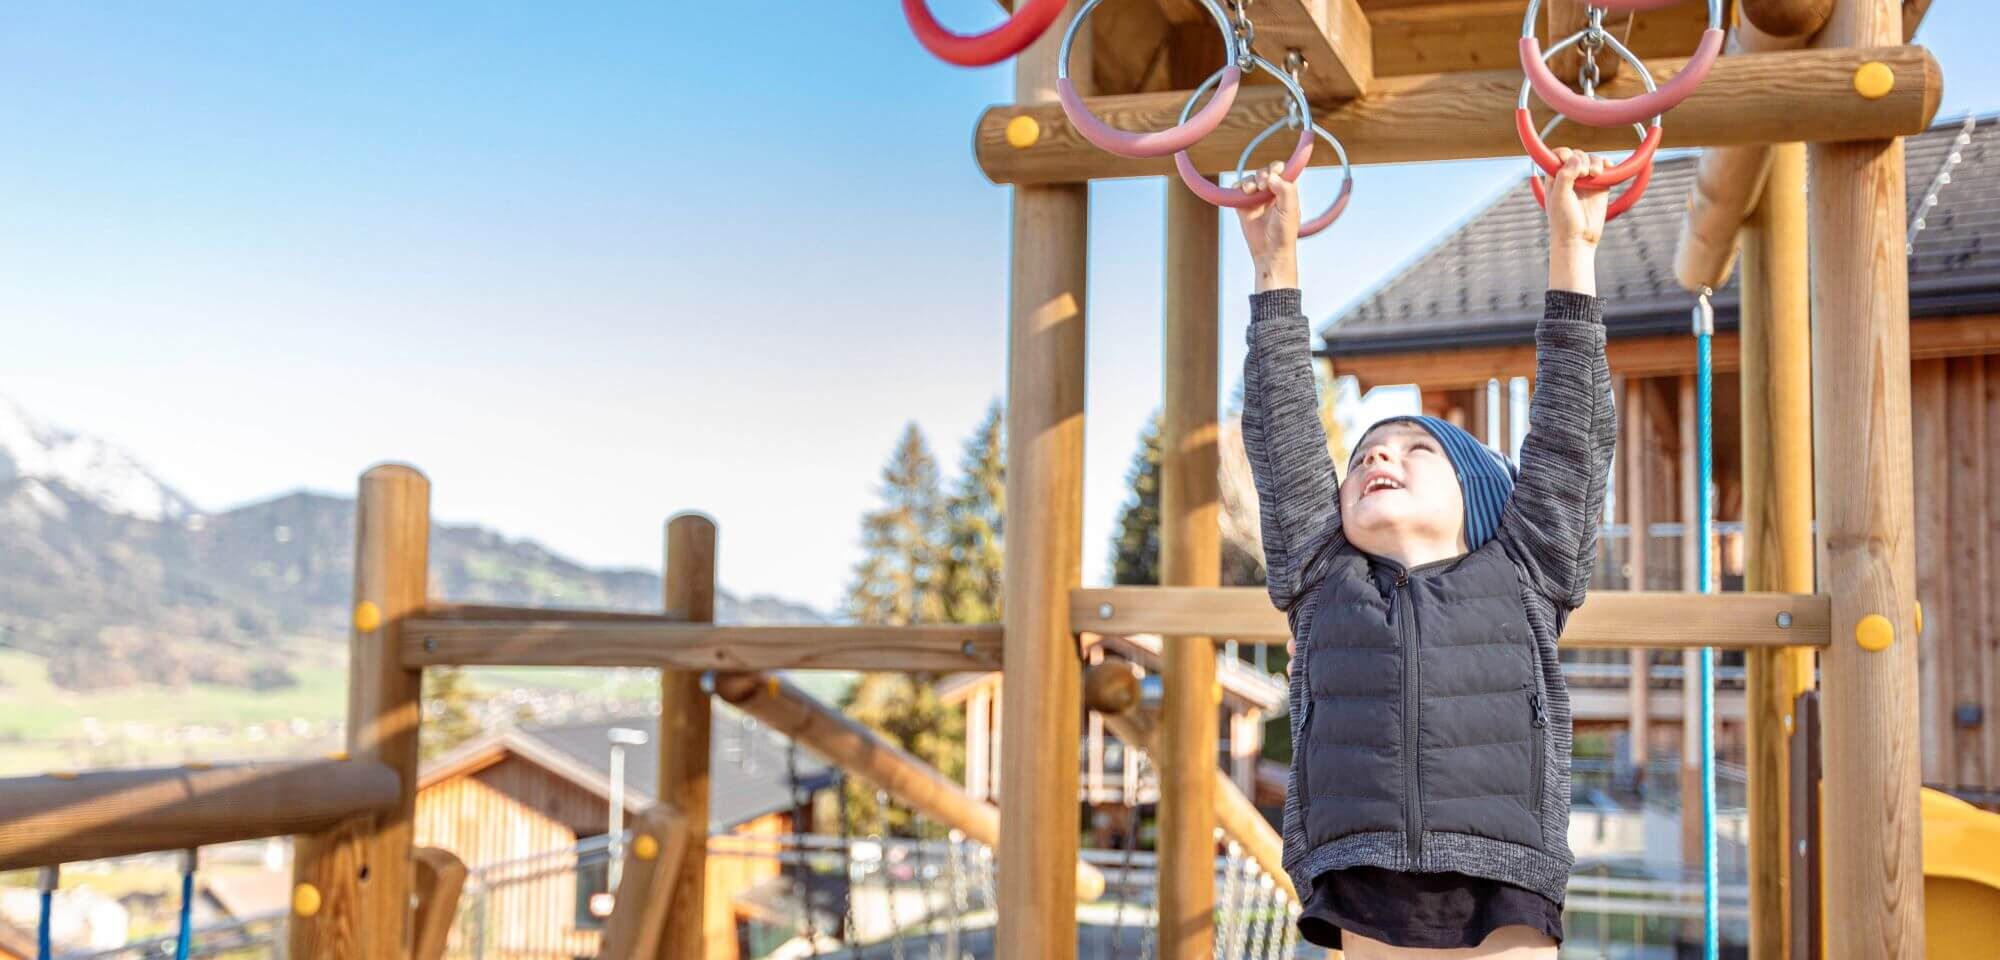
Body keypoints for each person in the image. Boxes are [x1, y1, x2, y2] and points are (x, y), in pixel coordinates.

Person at [1235, 149, 1619, 959]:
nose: (1379, 457)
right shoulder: (1322, 574)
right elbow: (1283, 435)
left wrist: (1573, 253)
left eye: (1416, 450)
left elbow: (1569, 436)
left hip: (1504, 873)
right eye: (1367, 451)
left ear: (1479, 501)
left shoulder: (1526, 567)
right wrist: (1276, 267)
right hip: (1364, 870)